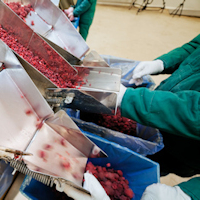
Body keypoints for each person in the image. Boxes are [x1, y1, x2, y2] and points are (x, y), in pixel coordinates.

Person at [56, 34, 200, 199]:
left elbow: (195, 111)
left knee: (137, 166)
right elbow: (195, 45)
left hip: (186, 148)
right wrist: (163, 63)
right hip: (157, 109)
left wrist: (190, 194)